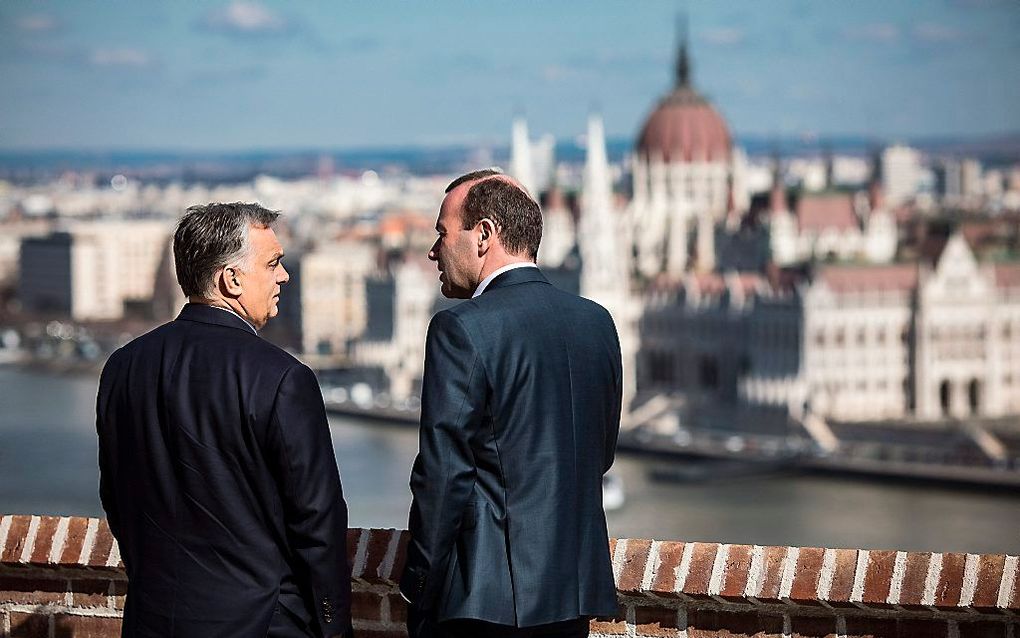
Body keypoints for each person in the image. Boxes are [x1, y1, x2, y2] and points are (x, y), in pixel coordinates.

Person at [96, 203, 352, 638]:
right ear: (230, 280)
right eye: (272, 264)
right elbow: (317, 522)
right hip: (263, 623)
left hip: (153, 620)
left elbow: (117, 499)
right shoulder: (282, 377)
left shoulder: (122, 367)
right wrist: (333, 626)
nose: (284, 276)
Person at [400, 170, 623, 638]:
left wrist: (418, 586)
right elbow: (598, 457)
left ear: (483, 234)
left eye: (442, 232)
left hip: (484, 603)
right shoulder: (597, 322)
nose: (433, 250)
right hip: (571, 598)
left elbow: (443, 475)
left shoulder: (460, 328)